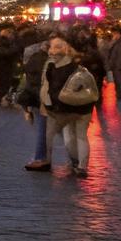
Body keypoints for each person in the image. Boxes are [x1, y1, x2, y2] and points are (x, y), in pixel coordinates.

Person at [41, 36, 99, 177]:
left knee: (70, 136)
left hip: (65, 108)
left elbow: (52, 89)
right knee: (81, 136)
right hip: (84, 105)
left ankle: (76, 162)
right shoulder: (82, 62)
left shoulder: (54, 67)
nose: (51, 51)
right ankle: (82, 166)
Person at [19, 34, 53, 172]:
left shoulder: (33, 57)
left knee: (42, 127)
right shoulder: (46, 62)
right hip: (42, 97)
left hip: (34, 96)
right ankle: (41, 157)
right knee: (43, 128)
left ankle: (41, 157)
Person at [0, 28, 22, 109]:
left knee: (5, 85)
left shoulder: (7, 43)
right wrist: (15, 49)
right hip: (0, 69)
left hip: (3, 69)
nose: (12, 36)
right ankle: (3, 99)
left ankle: (5, 99)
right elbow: (4, 53)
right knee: (2, 86)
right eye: (10, 34)